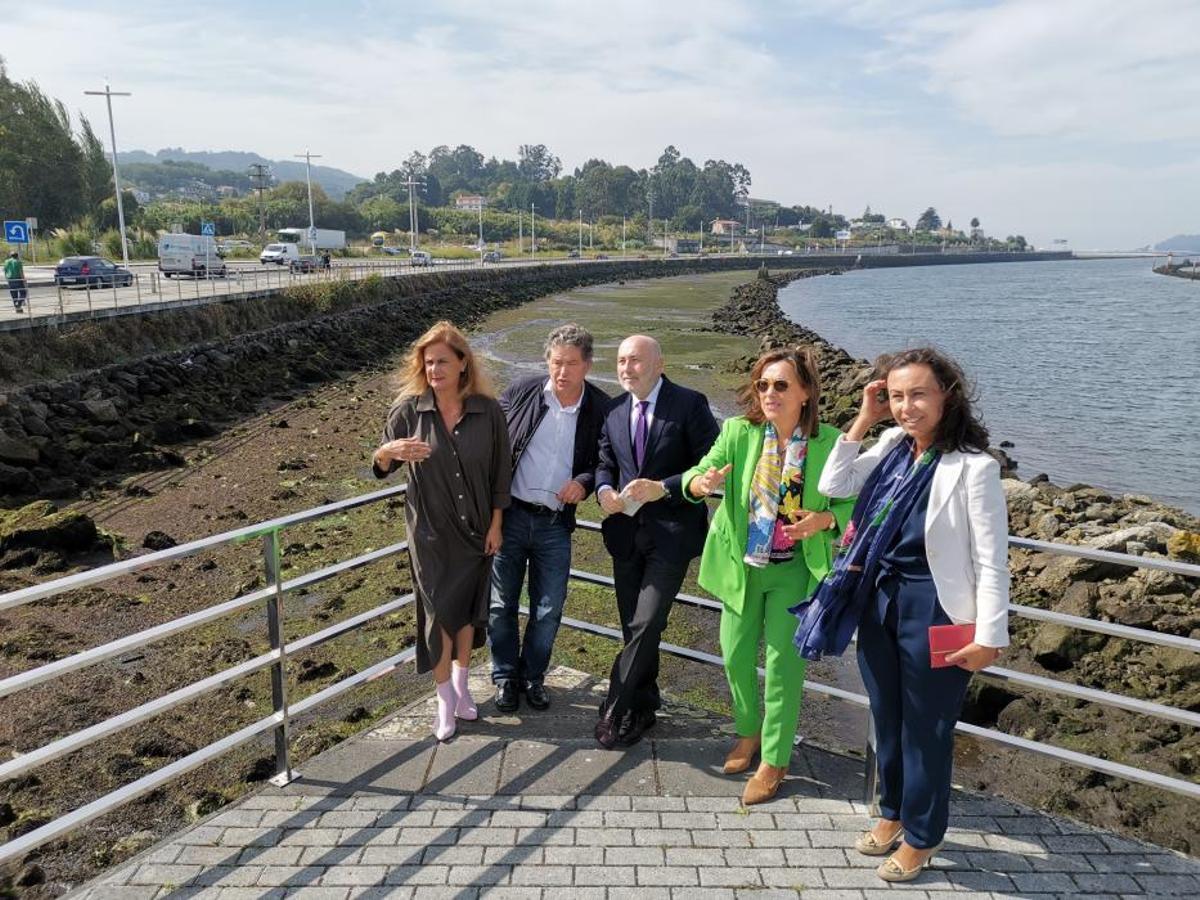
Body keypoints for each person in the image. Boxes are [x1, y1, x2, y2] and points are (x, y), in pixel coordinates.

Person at [817, 347, 1009, 883]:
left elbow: (991, 560)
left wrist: (990, 636)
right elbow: (834, 485)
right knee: (888, 716)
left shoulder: (974, 467)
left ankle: (923, 836)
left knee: (927, 727)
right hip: (878, 600)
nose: (907, 407)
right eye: (897, 396)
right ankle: (893, 812)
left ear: (948, 395)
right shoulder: (891, 447)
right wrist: (864, 418)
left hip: (937, 608)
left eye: (918, 394)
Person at [681, 347, 855, 804]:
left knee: (783, 669)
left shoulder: (830, 443)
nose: (769, 393)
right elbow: (699, 473)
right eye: (763, 384)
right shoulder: (738, 432)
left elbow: (854, 503)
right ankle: (748, 731)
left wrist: (824, 520)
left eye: (780, 385)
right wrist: (701, 484)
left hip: (794, 571)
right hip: (741, 566)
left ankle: (775, 759)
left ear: (805, 392)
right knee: (735, 655)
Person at [372, 320, 512, 742]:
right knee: (436, 615)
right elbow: (382, 466)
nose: (434, 369)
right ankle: (444, 699)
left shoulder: (488, 411)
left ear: (463, 363)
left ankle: (463, 688)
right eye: (428, 362)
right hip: (429, 533)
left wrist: (496, 524)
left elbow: (501, 473)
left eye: (442, 362)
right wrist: (386, 451)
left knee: (467, 612)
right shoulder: (408, 411)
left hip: (476, 530)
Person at [593, 335, 719, 748]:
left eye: (635, 360)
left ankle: (615, 706)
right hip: (625, 535)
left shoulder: (690, 404)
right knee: (634, 627)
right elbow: (604, 462)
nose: (626, 368)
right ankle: (644, 705)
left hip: (672, 536)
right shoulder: (613, 410)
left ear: (659, 364)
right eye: (621, 361)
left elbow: (710, 465)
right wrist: (603, 490)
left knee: (647, 623)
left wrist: (663, 487)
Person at [489, 324, 610, 712]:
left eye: (571, 363)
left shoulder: (602, 408)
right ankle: (505, 677)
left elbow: (604, 461)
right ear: (547, 361)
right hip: (510, 516)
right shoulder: (521, 391)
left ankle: (533, 677)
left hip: (555, 524)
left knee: (548, 608)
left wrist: (584, 482)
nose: (562, 371)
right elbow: (488, 439)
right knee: (500, 604)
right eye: (556, 362)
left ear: (587, 365)